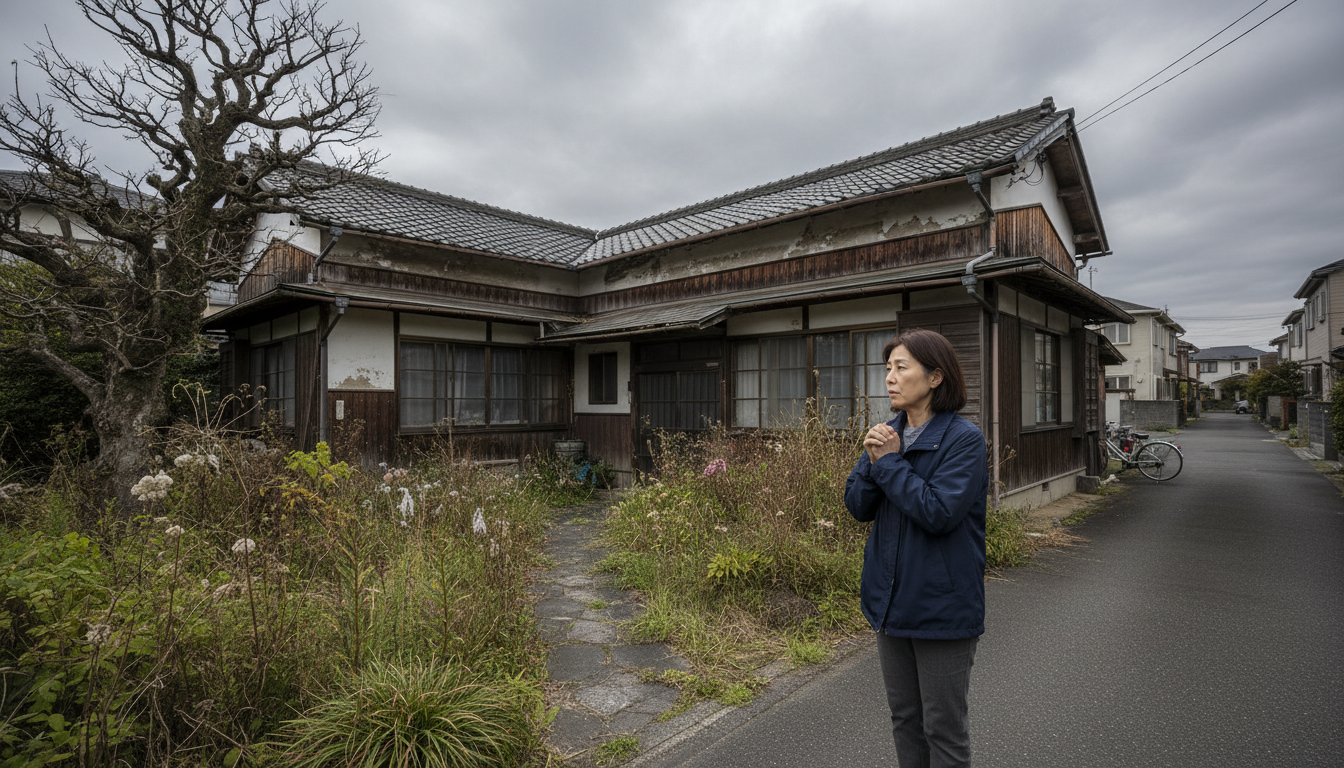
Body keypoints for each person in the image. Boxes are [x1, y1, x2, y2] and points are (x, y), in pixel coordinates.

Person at [844, 328, 988, 768]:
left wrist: (887, 462)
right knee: (905, 718)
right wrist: (874, 461)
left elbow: (938, 512)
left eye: (901, 367)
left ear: (935, 378)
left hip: (941, 606)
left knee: (942, 728)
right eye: (887, 368)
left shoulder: (964, 440)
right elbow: (857, 506)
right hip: (890, 602)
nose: (889, 377)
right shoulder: (888, 433)